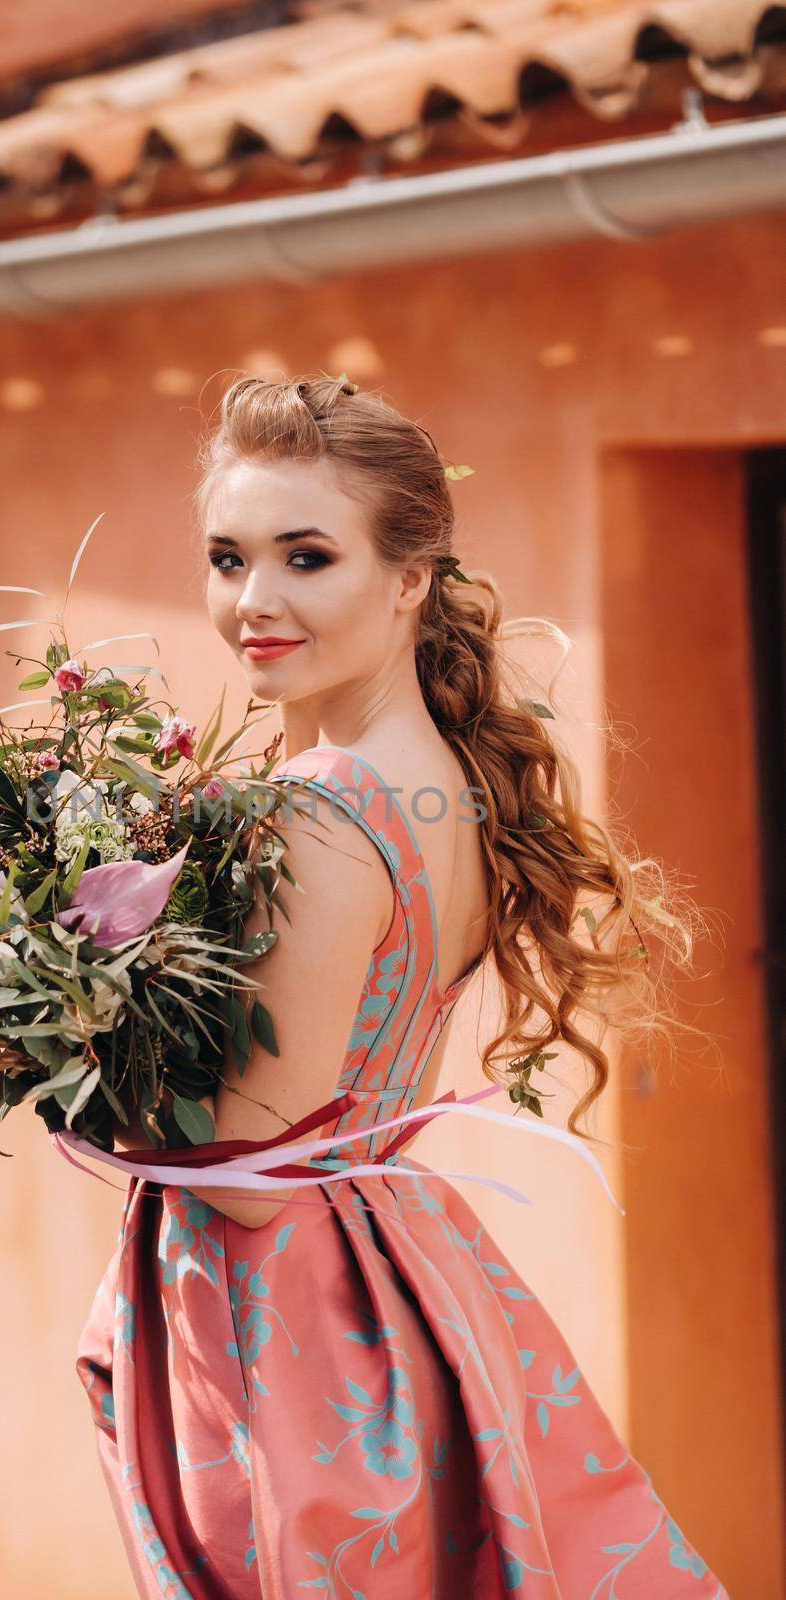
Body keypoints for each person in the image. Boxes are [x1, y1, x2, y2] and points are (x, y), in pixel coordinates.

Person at [75, 374, 729, 1597]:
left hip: (285, 1324)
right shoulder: (442, 783)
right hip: (390, 1263)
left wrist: (56, 1033)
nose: (253, 600)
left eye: (306, 557)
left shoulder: (324, 807)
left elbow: (254, 1174)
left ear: (408, 577)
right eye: (227, 557)